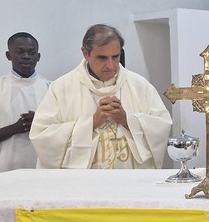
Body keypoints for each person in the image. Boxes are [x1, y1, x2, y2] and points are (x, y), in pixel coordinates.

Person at [30, 24, 172, 169]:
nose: (110, 65)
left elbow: (161, 125)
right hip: (83, 185)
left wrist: (127, 119)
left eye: (115, 57)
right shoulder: (62, 89)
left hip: (128, 181)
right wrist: (91, 122)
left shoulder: (140, 86)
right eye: (102, 58)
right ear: (85, 53)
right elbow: (42, 135)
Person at [0, 32, 50, 174]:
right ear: (8, 55)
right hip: (2, 168)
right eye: (19, 52)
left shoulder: (52, 88)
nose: (26, 56)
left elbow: (64, 129)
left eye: (31, 52)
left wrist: (40, 121)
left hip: (42, 167)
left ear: (38, 57)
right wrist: (15, 128)